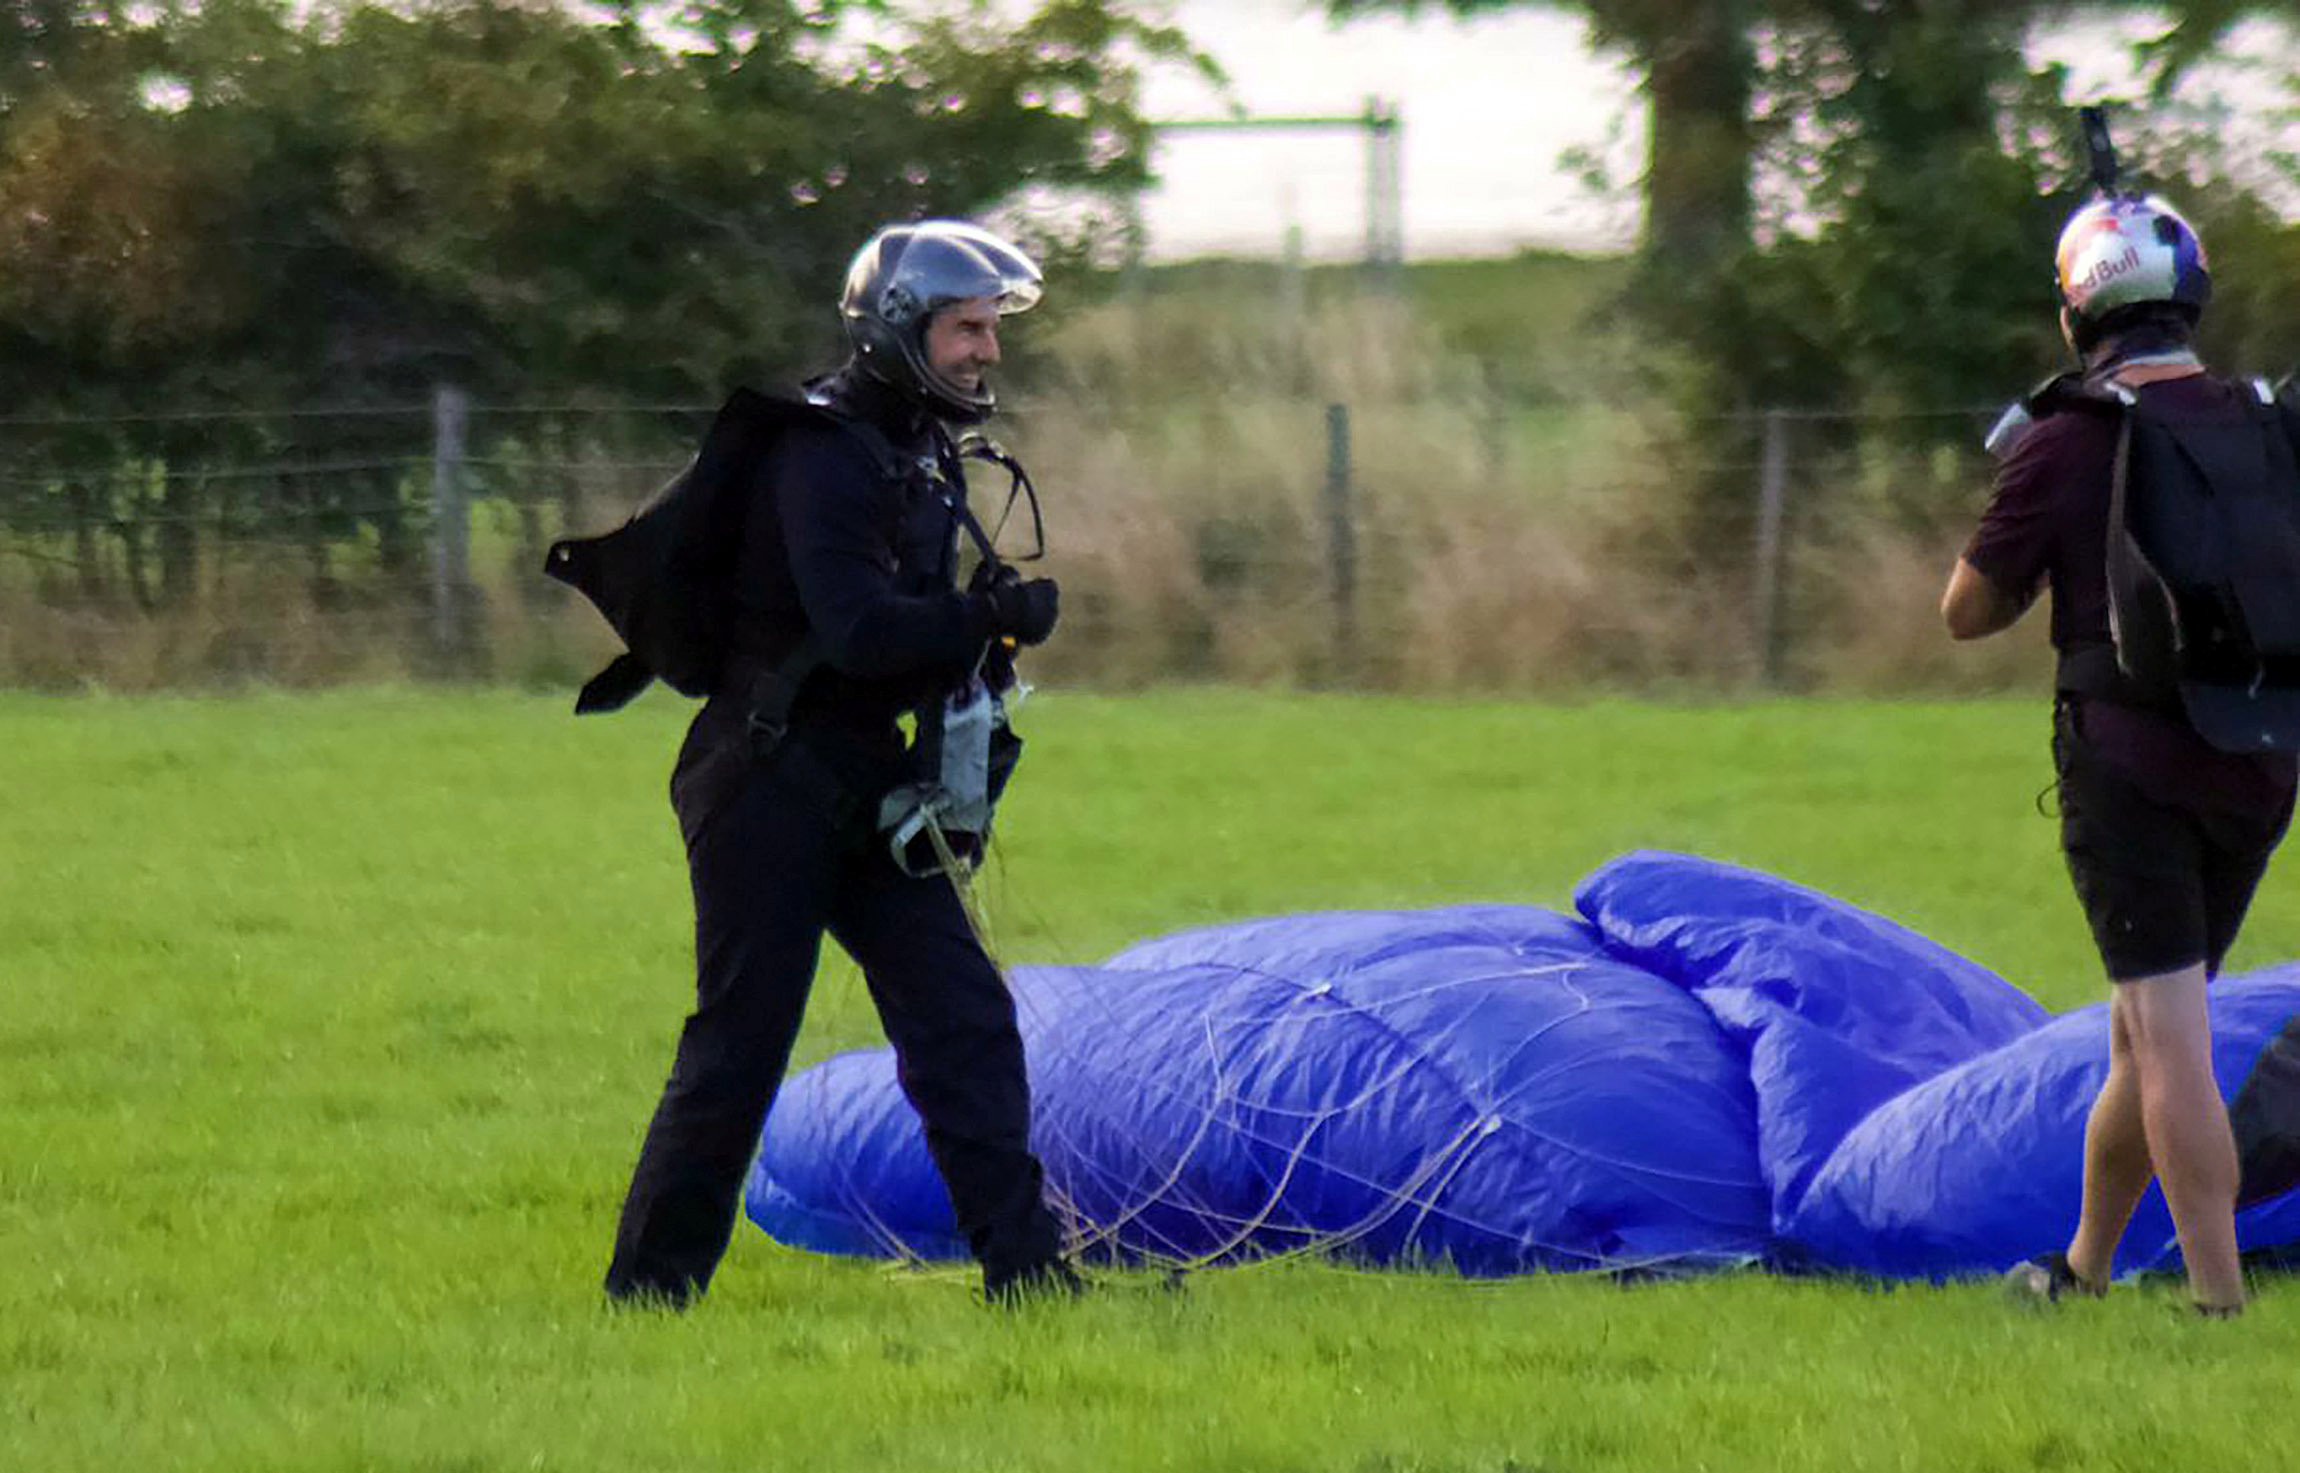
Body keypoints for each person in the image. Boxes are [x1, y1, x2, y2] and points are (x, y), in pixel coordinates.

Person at [601, 220, 1080, 1309]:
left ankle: (1029, 1280)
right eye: (968, 329)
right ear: (902, 327)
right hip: (763, 781)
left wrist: (981, 657)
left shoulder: (915, 447)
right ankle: (646, 1299)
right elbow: (859, 631)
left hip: (869, 783)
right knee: (741, 1045)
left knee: (960, 1016)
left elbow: (905, 640)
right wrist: (982, 617)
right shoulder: (818, 453)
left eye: (991, 329)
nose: (987, 352)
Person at [1943, 191, 2298, 1317]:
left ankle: (2215, 1301)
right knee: (2140, 1031)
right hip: (2259, 757)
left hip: (2129, 769)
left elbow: (1964, 612)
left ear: (2075, 313)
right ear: (2187, 297)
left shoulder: (2060, 437)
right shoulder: (2255, 419)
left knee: (2166, 1036)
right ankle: (2082, 1268)